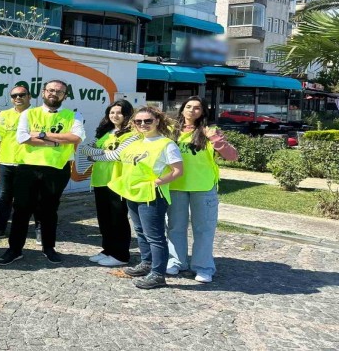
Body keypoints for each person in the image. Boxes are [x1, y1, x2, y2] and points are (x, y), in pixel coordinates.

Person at [82, 106, 183, 289]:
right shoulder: (135, 142)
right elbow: (113, 156)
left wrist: (156, 183)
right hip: (132, 193)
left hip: (152, 195)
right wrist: (91, 155)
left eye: (147, 121)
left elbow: (178, 171)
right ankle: (146, 264)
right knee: (141, 232)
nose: (143, 124)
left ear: (157, 121)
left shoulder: (166, 144)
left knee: (155, 236)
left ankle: (158, 274)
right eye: (138, 121)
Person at [0, 80, 85, 266]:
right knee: (21, 210)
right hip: (28, 167)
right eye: (51, 90)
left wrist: (42, 135)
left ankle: (49, 248)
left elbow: (76, 137)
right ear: (43, 92)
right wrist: (58, 142)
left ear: (65, 96)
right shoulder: (29, 113)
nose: (54, 93)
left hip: (57, 169)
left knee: (49, 211)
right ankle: (14, 249)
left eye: (59, 91)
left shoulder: (73, 115)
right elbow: (23, 137)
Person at [167, 96, 238, 283]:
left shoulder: (210, 131)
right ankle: (176, 262)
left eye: (197, 108)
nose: (192, 110)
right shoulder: (171, 131)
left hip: (203, 187)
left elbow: (232, 156)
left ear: (203, 112)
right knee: (175, 227)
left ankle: (203, 267)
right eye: (188, 106)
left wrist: (214, 138)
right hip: (176, 186)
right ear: (182, 109)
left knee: (204, 229)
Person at [0, 84, 41, 243]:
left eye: (22, 95)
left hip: (30, 162)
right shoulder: (3, 114)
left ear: (29, 96)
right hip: (6, 161)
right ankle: (0, 227)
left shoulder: (38, 114)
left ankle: (39, 228)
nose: (18, 98)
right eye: (14, 95)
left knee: (34, 196)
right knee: (4, 196)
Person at [87, 100, 135, 267]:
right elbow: (87, 152)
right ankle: (108, 250)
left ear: (128, 114)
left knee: (118, 218)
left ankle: (121, 255)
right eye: (112, 112)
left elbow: (117, 156)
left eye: (119, 112)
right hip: (100, 180)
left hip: (118, 181)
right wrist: (104, 153)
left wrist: (99, 154)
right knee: (104, 218)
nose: (115, 116)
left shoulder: (132, 134)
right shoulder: (105, 132)